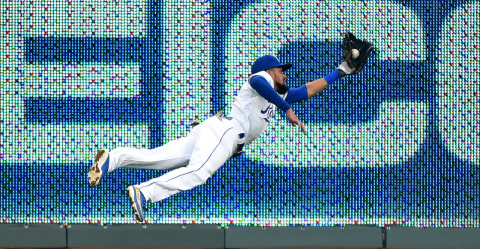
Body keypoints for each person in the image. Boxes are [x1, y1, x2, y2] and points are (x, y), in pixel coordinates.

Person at [88, 33, 373, 222]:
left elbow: (309, 89)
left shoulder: (280, 93)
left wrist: (343, 71)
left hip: (213, 129)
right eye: (280, 69)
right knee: (198, 173)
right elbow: (258, 82)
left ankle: (113, 158)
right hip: (225, 132)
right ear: (269, 70)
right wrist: (286, 109)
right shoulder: (261, 79)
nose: (283, 73)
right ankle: (144, 192)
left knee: (160, 157)